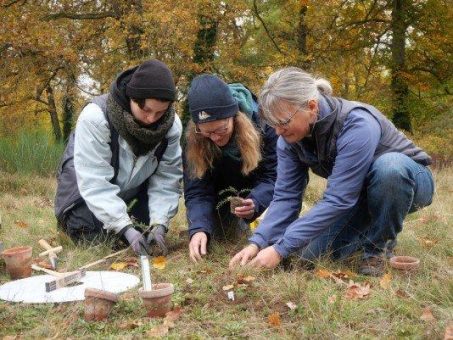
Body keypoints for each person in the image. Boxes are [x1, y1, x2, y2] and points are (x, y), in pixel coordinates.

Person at [230, 67, 434, 276]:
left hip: (409, 181)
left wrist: (280, 248)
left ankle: (377, 249)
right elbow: (286, 197)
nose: (278, 131)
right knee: (305, 256)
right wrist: (259, 242)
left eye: (283, 122)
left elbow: (338, 199)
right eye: (272, 124)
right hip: (358, 196)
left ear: (311, 107)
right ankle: (364, 233)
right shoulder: (288, 141)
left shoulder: (357, 124)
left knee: (390, 168)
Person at [55, 59, 183, 255]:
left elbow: (166, 178)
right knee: (93, 235)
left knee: (146, 231)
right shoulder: (95, 118)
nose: (151, 119)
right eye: (146, 110)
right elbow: (94, 182)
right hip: (82, 192)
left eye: (160, 113)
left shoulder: (171, 126)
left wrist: (160, 223)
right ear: (132, 98)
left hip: (130, 193)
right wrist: (125, 228)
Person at [184, 74, 278, 262]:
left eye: (221, 129)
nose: (216, 137)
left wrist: (256, 201)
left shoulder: (265, 124)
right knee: (218, 235)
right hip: (221, 195)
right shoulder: (195, 139)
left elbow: (274, 177)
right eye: (207, 132)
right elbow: (197, 190)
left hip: (259, 192)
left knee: (269, 235)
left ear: (234, 118)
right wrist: (199, 228)